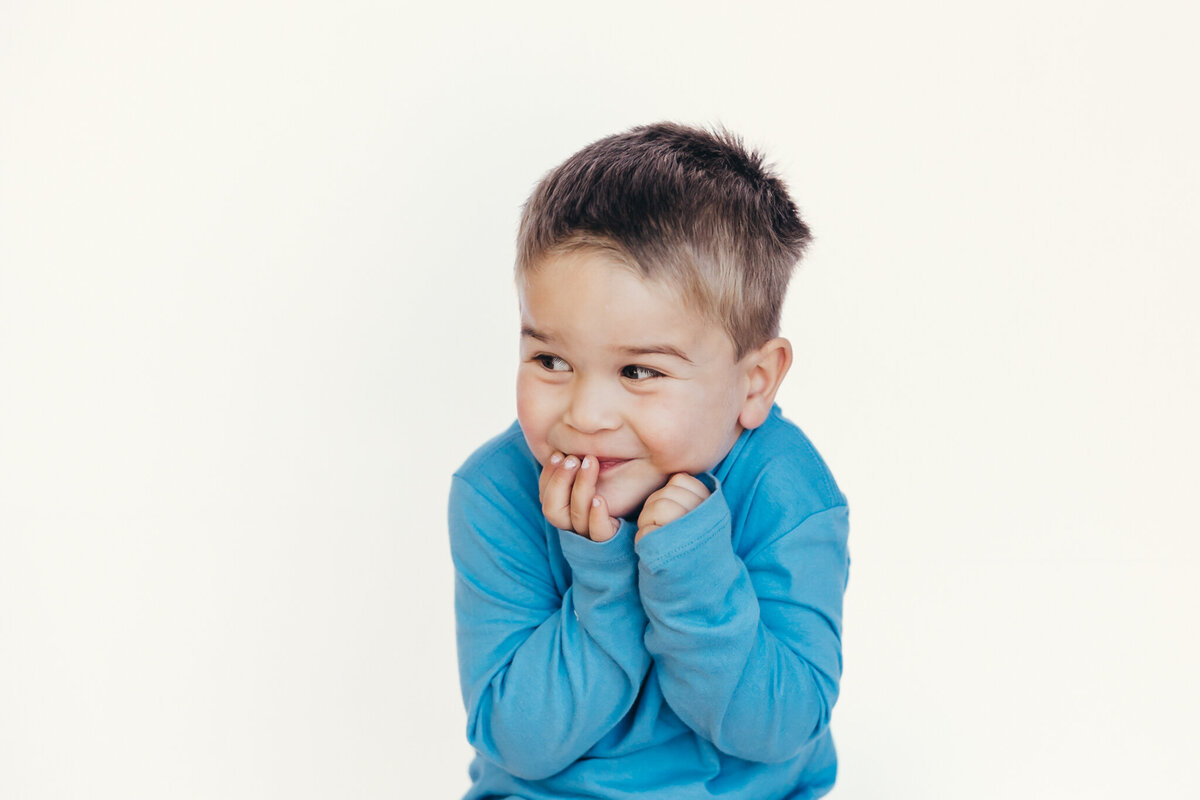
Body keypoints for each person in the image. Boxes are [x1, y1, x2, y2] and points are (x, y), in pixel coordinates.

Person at [448, 122, 850, 799]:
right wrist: (603, 583)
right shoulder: (495, 493)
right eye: (551, 360)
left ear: (754, 383)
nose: (585, 413)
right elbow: (518, 739)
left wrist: (692, 573)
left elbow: (780, 729)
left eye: (638, 371)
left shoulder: (788, 489)